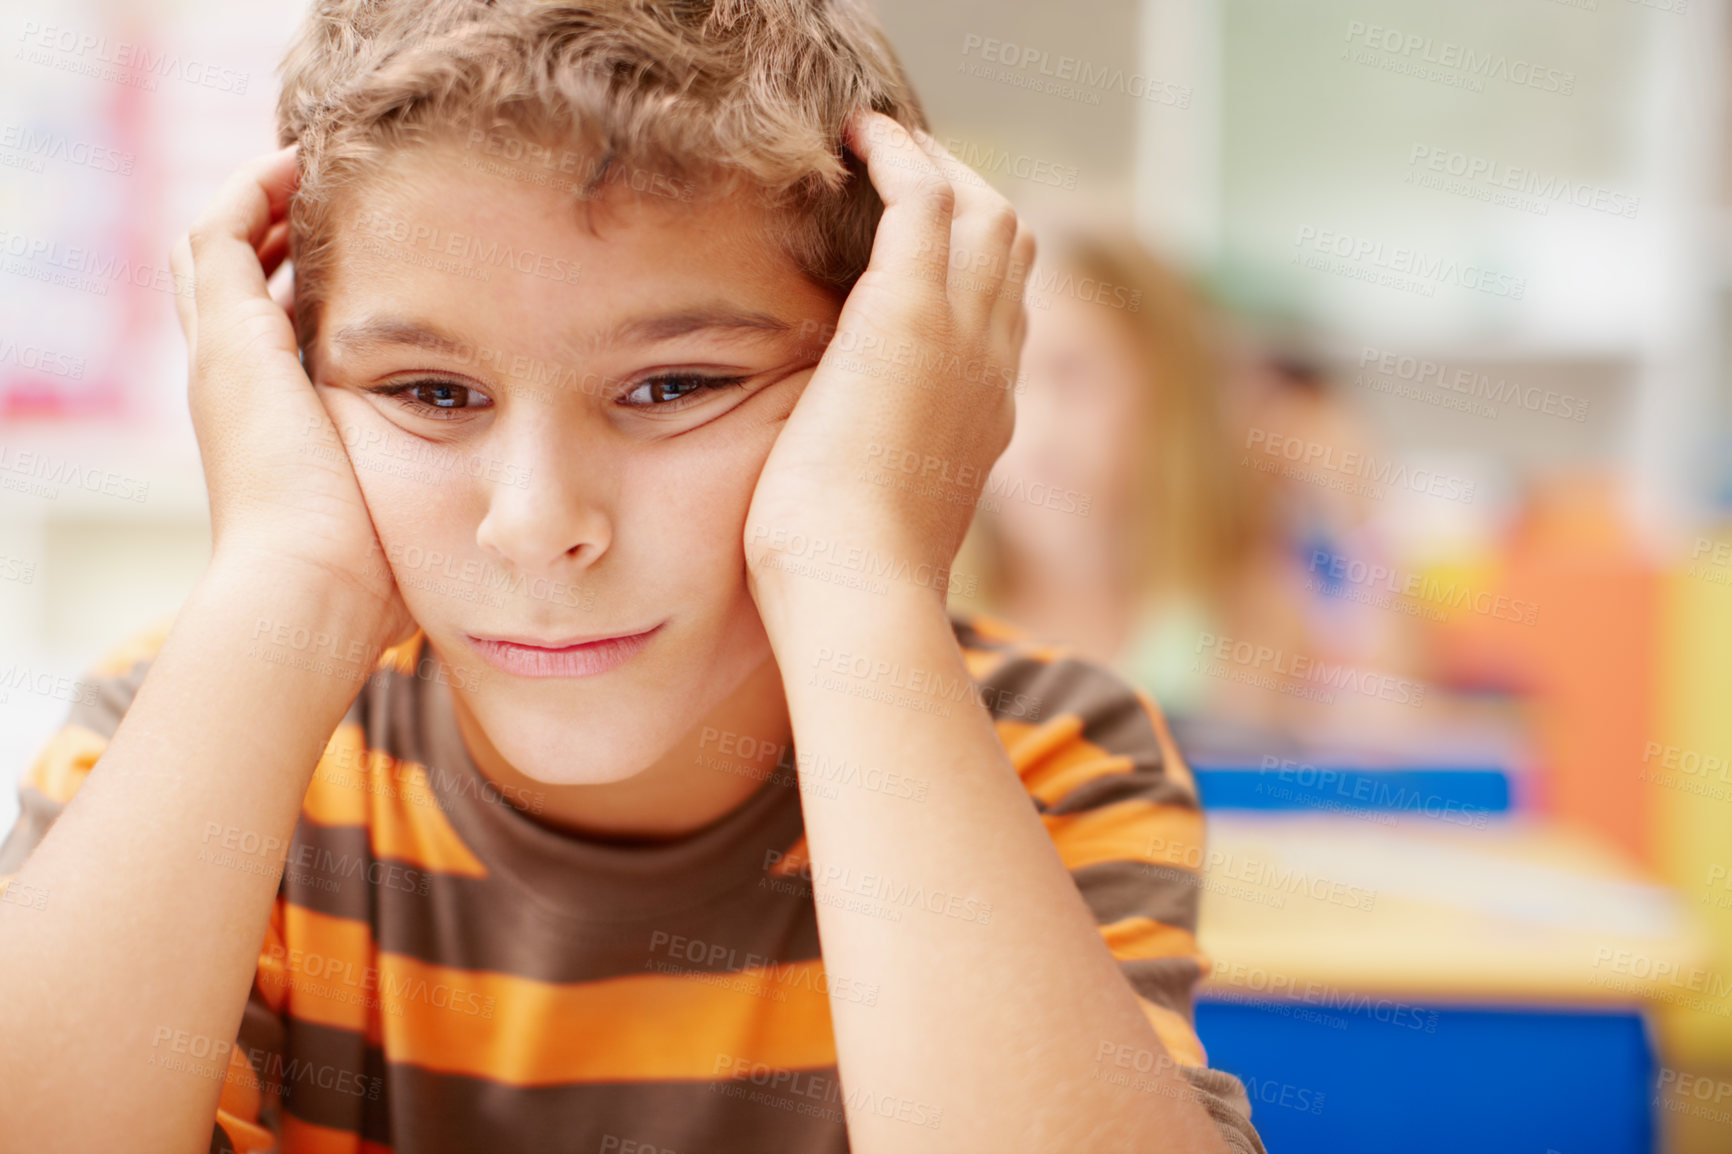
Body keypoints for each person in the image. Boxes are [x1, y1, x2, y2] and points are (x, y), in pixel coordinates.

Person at [0, 3, 1264, 1152]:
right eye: (430, 392)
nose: (538, 523)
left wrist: (856, 574)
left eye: (673, 386)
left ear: (896, 377)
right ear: (284, 381)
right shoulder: (194, 733)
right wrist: (286, 579)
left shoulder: (1048, 751)